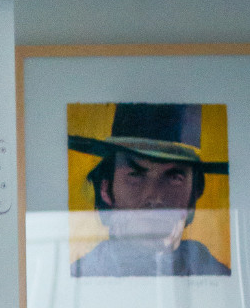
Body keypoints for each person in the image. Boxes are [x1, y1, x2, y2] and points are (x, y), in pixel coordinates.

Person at [68, 103, 230, 277]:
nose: (155, 196)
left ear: (194, 193)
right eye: (135, 175)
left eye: (174, 178)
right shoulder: (82, 276)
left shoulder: (213, 275)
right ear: (106, 190)